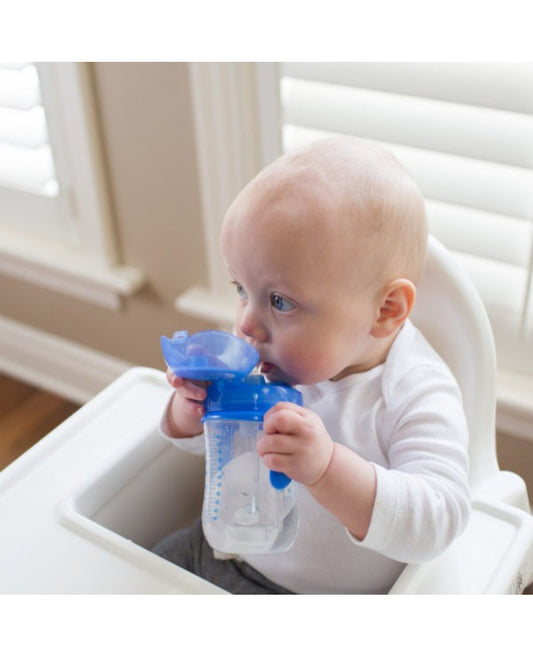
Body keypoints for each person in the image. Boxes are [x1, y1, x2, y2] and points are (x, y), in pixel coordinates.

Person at [154, 136, 470, 594]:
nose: (246, 324)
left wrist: (327, 469)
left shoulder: (413, 392)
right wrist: (191, 409)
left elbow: (439, 518)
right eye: (242, 288)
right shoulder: (268, 360)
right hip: (221, 551)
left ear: (385, 311)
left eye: (280, 301)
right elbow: (203, 449)